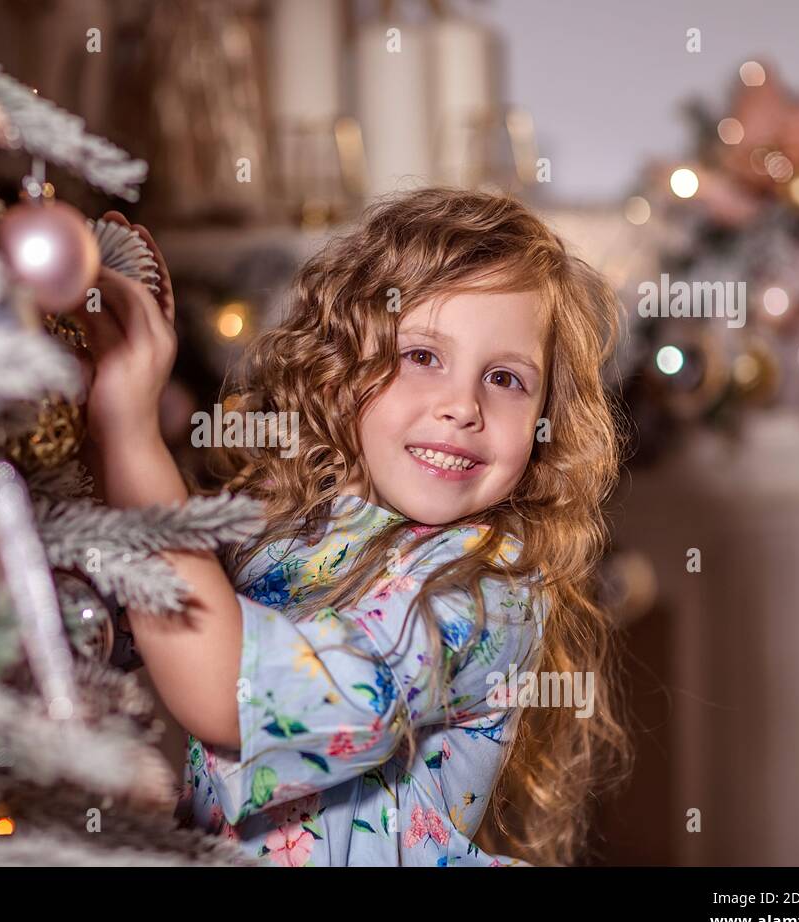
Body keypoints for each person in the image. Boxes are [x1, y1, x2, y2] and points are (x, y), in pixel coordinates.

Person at [81, 189, 631, 866]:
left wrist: (129, 429)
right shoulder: (295, 532)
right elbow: (130, 603)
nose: (463, 405)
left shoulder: (479, 590)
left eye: (505, 378)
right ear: (343, 372)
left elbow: (228, 692)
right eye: (423, 356)